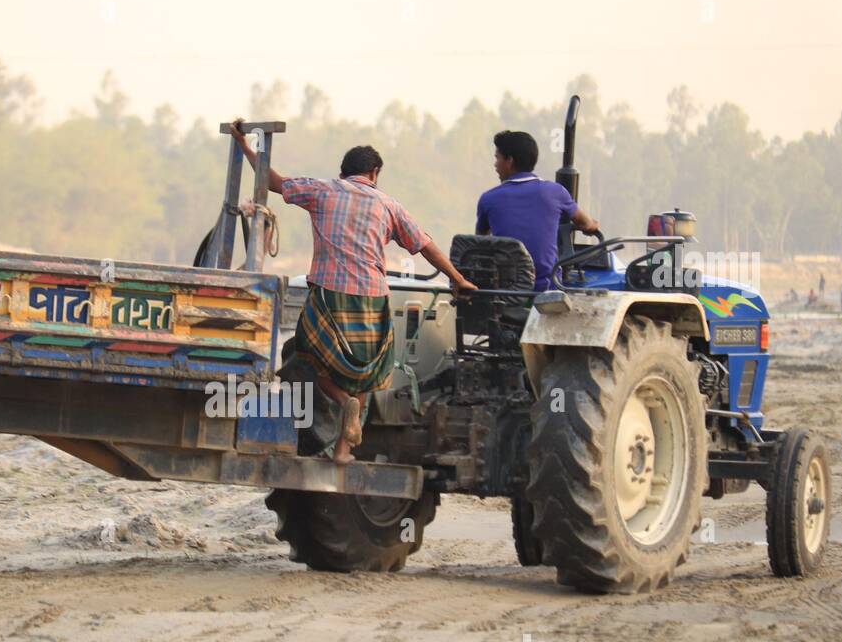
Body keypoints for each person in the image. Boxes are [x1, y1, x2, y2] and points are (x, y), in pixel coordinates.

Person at [228, 119, 477, 465]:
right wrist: (457, 278)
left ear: (344, 172)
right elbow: (424, 245)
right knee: (366, 370)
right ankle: (345, 448)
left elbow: (273, 181)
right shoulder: (389, 205)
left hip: (330, 295)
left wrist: (243, 145)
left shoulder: (322, 191)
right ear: (374, 173)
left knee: (306, 355)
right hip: (374, 297)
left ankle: (343, 402)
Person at [475, 130, 600, 290]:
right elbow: (585, 224)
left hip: (505, 292)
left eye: (497, 158)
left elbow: (480, 245)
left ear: (509, 161)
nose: (495, 164)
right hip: (547, 290)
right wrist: (593, 225)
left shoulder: (488, 199)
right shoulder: (556, 192)